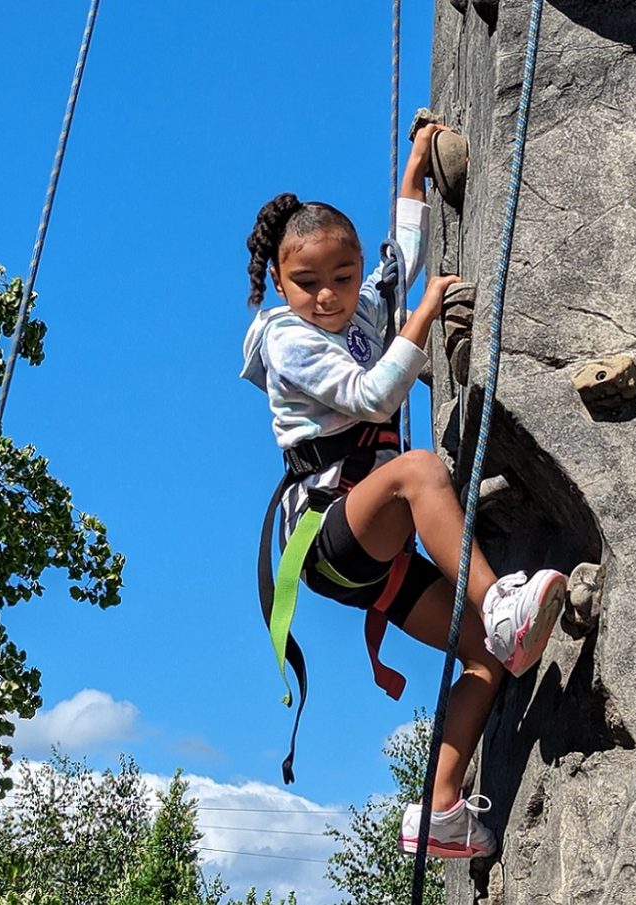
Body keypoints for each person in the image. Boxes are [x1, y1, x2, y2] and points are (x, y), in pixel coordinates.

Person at [240, 124, 567, 859]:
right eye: (308, 282)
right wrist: (420, 324)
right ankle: (500, 601)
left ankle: (441, 807)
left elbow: (401, 260)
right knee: (419, 468)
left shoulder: (359, 305)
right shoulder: (283, 340)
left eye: (342, 276)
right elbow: (370, 396)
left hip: (373, 546)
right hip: (325, 531)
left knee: (488, 656)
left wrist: (415, 173)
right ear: (280, 280)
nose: (329, 296)